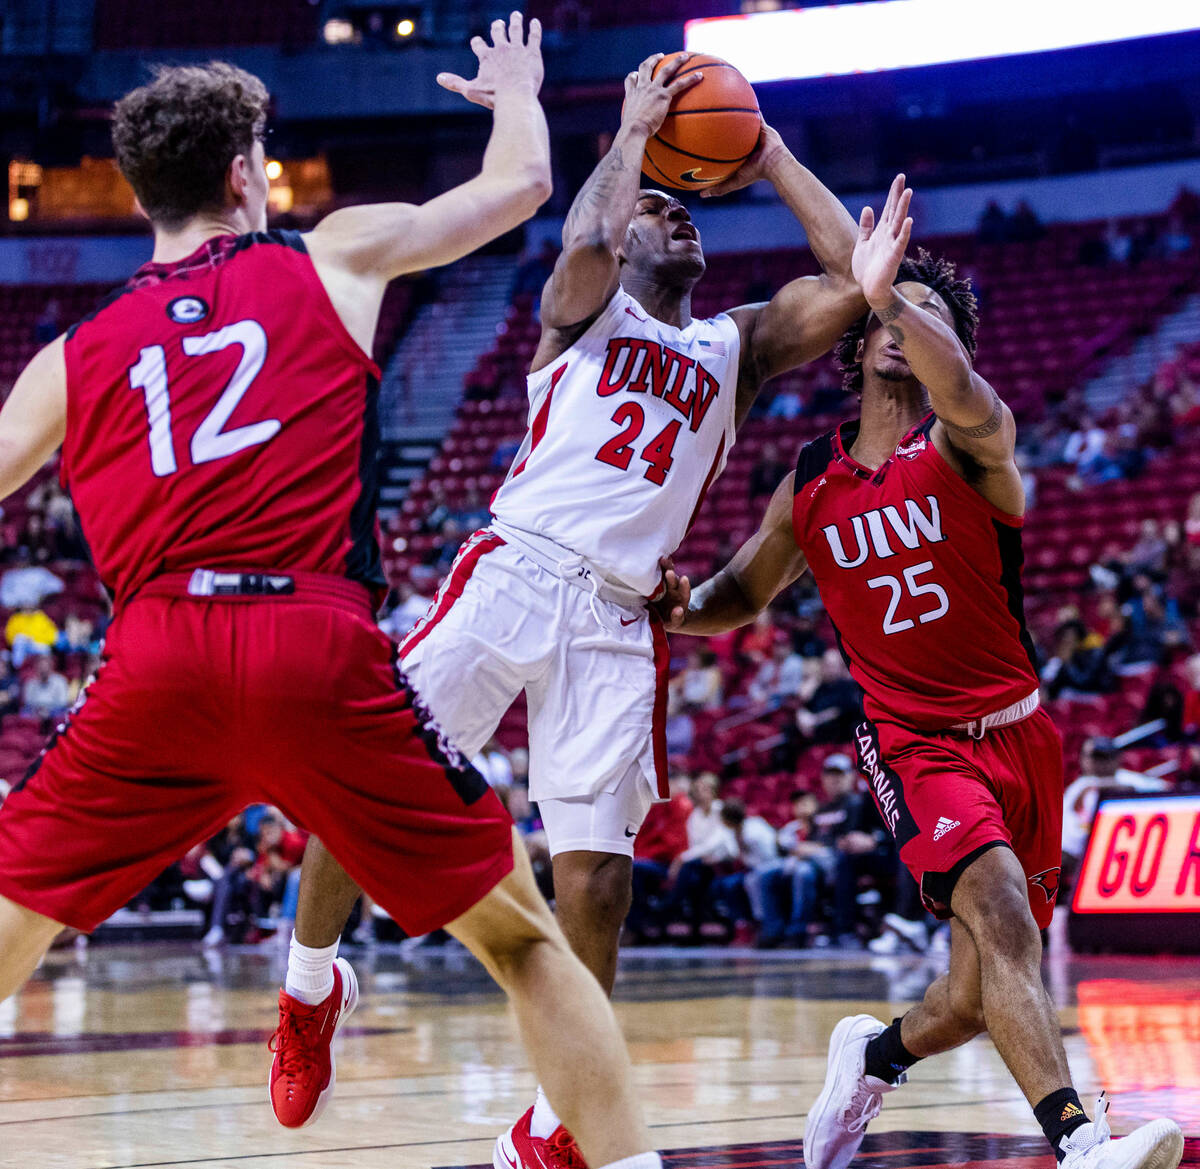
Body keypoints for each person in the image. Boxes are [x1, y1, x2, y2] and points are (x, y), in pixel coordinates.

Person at [0, 28, 667, 1169]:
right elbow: (522, 184)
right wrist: (517, 90)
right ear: (242, 176)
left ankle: (311, 983)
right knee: (523, 942)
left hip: (157, 657)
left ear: (144, 194)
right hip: (314, 642)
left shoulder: (73, 352)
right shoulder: (330, 255)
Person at [281, 49, 869, 1166]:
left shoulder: (734, 346)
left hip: (617, 617)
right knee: (365, 771)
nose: (674, 215)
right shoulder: (579, 315)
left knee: (597, 877)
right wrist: (633, 135)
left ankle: (552, 1124)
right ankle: (310, 988)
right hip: (514, 570)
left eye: (683, 207)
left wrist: (768, 151)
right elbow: (587, 240)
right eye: (656, 209)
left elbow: (859, 277)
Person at [658, 178, 1183, 1169]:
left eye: (930, 314)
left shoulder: (972, 443)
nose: (906, 323)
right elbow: (741, 591)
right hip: (912, 740)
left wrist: (888, 290)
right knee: (1004, 918)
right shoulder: (810, 481)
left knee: (978, 993)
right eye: (892, 313)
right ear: (858, 342)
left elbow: (961, 383)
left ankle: (874, 1054)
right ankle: (1081, 1142)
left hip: (1022, 734)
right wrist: (677, 607)